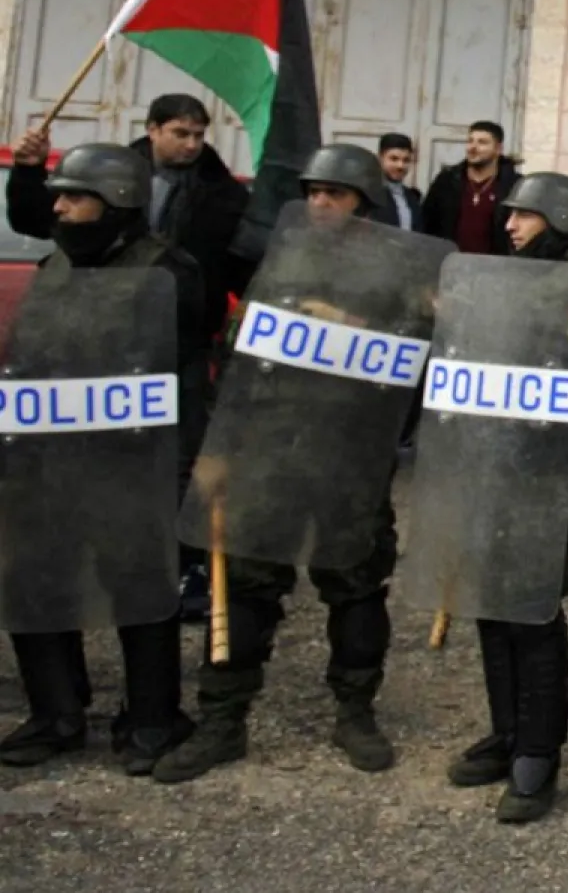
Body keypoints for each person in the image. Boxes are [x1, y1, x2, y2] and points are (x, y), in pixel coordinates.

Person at [152, 144, 450, 784]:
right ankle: (222, 720)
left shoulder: (397, 274)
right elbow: (239, 353)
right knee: (249, 582)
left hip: (348, 453)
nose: (319, 203)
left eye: (334, 194)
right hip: (269, 447)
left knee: (355, 582)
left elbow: (415, 354)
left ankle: (355, 710)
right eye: (312, 191)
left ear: (363, 205)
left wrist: (346, 323)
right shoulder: (280, 262)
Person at [0, 143, 209, 774]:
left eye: (73, 197)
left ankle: (151, 716)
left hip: (132, 466)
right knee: (31, 578)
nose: (58, 207)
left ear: (117, 201)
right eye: (57, 195)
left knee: (137, 586)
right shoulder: (54, 267)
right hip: (51, 462)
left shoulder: (169, 272)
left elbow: (186, 381)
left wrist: (183, 475)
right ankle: (55, 712)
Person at [444, 171, 568, 824]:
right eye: (510, 216)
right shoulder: (507, 277)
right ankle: (508, 731)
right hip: (493, 458)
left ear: (559, 218)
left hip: (546, 467)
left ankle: (539, 754)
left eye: (524, 216)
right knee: (492, 601)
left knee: (534, 610)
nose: (510, 225)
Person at [421, 121, 522, 255]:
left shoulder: (514, 185)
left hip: (494, 267)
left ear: (498, 149)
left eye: (482, 142)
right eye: (470, 141)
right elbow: (427, 224)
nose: (473, 147)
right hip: (449, 264)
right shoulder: (447, 180)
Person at [371, 133, 424, 232]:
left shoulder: (412, 197)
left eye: (406, 160)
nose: (400, 165)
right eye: (394, 159)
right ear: (380, 158)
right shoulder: (368, 194)